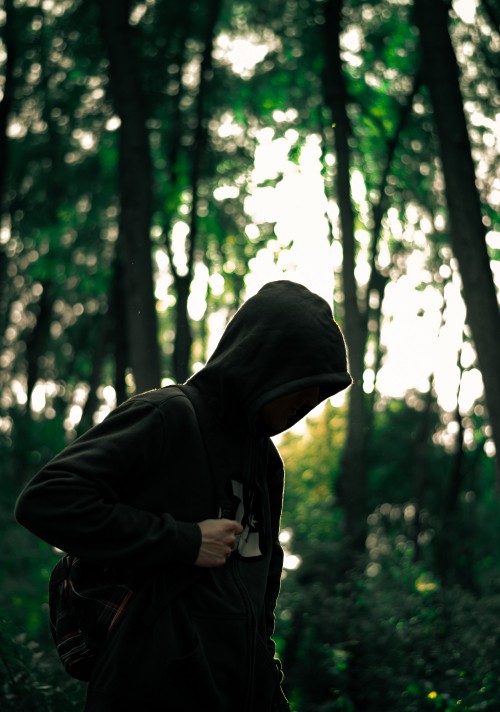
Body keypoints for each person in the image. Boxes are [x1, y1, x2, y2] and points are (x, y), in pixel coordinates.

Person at [15, 279, 352, 712]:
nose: (306, 403)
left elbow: (257, 596)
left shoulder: (265, 463)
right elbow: (46, 500)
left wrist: (267, 692)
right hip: (148, 689)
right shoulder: (169, 415)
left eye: (318, 395)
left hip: (235, 694)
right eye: (300, 387)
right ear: (264, 364)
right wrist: (185, 540)